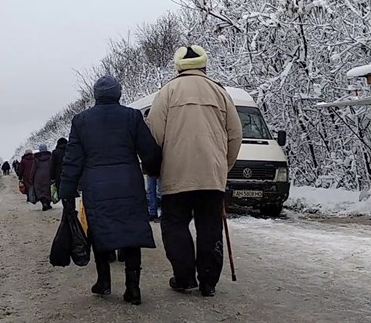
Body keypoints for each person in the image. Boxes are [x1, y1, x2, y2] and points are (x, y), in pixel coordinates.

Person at [148, 45, 242, 297]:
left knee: (174, 225)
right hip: (212, 176)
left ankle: (184, 277)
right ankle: (209, 282)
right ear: (204, 65)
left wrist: (154, 169)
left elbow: (154, 135)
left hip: (176, 175)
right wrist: (223, 167)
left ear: (178, 66)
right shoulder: (220, 92)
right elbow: (235, 135)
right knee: (210, 227)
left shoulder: (167, 91)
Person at [59, 75, 161, 305]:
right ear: (119, 93)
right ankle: (133, 288)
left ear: (96, 95)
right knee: (132, 231)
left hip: (96, 185)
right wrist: (154, 169)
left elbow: (72, 159)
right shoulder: (132, 117)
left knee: (99, 230)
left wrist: (67, 191)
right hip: (129, 182)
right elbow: (150, 152)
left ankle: (103, 281)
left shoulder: (81, 121)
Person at [143, 109, 162, 222]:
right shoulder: (146, 131)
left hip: (155, 164)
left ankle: (155, 212)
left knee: (157, 190)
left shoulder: (154, 131)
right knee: (152, 190)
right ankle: (153, 212)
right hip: (151, 165)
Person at [30, 144, 53, 211]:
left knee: (40, 191)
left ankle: (44, 203)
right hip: (48, 176)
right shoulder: (50, 157)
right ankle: (48, 204)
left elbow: (33, 169)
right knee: (47, 190)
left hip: (38, 177)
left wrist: (31, 178)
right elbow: (52, 167)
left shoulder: (36, 159)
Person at [50, 137, 68, 207]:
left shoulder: (55, 152)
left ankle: (67, 210)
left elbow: (52, 166)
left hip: (59, 175)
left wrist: (52, 177)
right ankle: (71, 210)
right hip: (70, 174)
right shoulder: (70, 151)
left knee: (63, 194)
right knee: (71, 194)